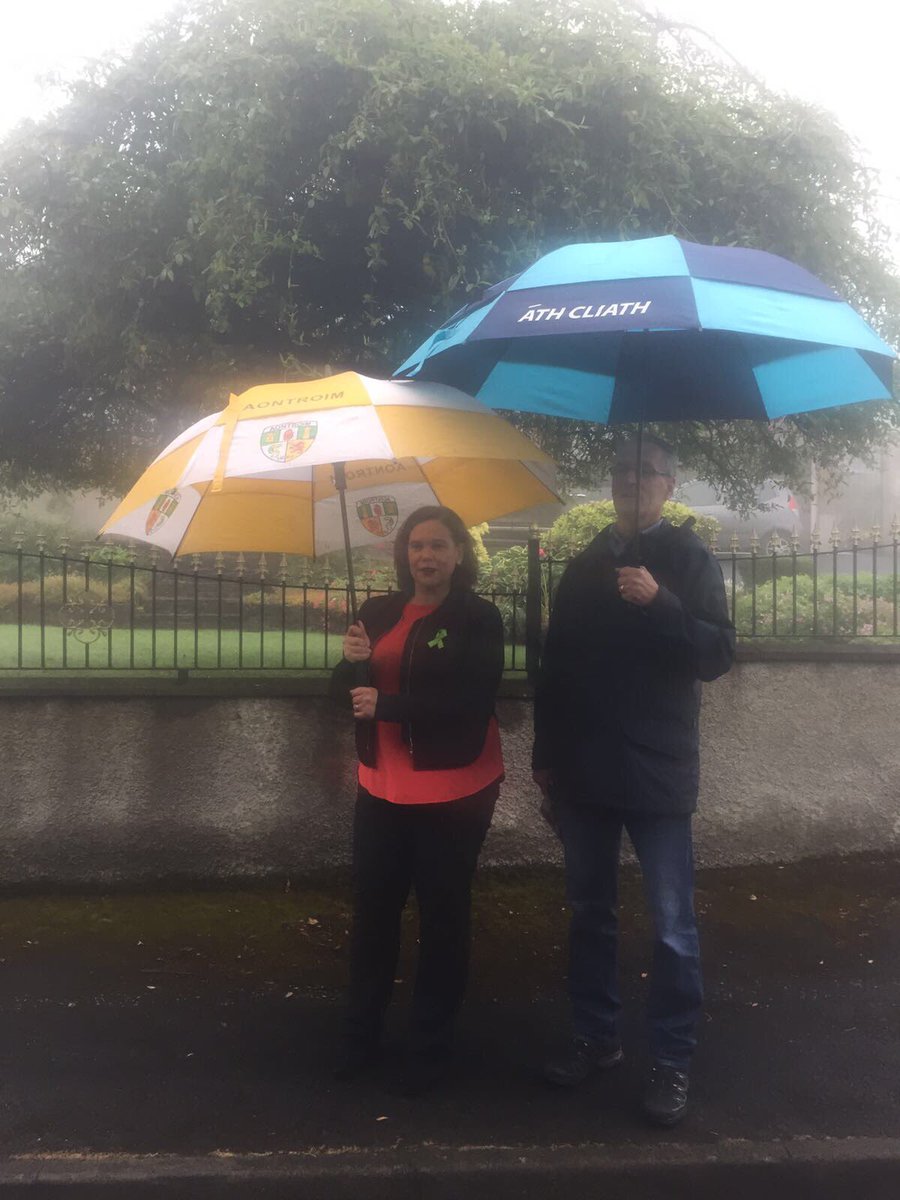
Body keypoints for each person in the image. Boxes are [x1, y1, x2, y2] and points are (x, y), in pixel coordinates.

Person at [532, 434, 735, 1126]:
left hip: (658, 768)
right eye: (622, 469)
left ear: (669, 485)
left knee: (673, 926)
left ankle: (672, 1060)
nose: (631, 480)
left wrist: (661, 603)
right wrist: (546, 757)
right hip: (585, 769)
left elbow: (717, 654)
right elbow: (555, 667)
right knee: (590, 913)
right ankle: (597, 1037)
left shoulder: (689, 559)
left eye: (646, 471)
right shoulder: (585, 564)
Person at [330, 505, 505, 1094]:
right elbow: (341, 695)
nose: (425, 556)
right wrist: (350, 664)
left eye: (438, 545)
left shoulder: (478, 617)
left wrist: (390, 706)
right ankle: (359, 1034)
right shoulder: (377, 612)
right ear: (404, 555)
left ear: (459, 553)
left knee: (443, 916)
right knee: (374, 914)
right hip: (381, 787)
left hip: (454, 790)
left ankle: (431, 1044)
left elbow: (472, 703)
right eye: (416, 546)